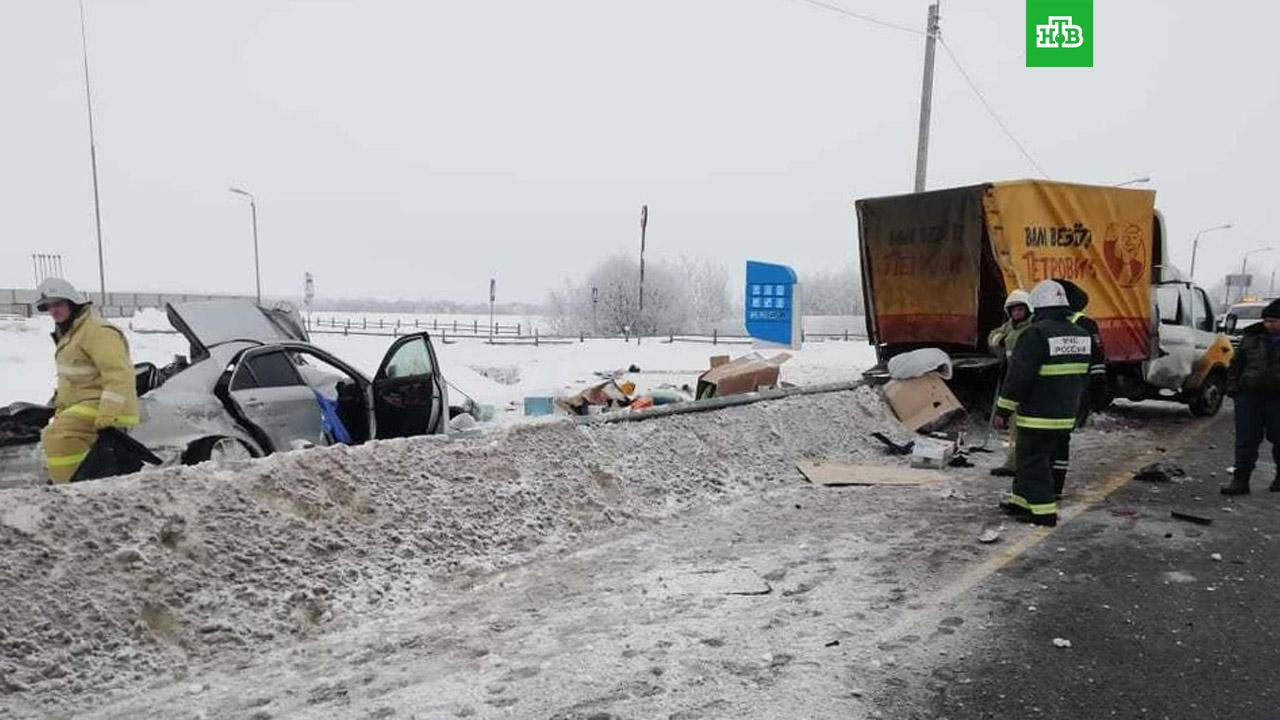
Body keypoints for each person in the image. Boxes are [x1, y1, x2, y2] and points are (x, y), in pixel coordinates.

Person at [992, 280, 1093, 527]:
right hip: (1066, 412)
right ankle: (1020, 501)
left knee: (1033, 460)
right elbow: (1085, 375)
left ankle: (1043, 511)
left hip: (1038, 413)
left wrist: (1003, 410)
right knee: (1039, 458)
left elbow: (1019, 377)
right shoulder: (1080, 334)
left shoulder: (1035, 334)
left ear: (1036, 306)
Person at [35, 278, 139, 483]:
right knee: (60, 436)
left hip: (107, 407)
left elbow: (118, 375)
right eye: (49, 306)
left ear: (72, 303)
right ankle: (84, 478)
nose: (53, 311)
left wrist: (108, 413)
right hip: (86, 404)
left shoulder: (97, 331)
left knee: (56, 436)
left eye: (58, 304)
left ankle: (68, 489)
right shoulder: (73, 332)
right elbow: (75, 378)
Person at [1052, 279, 1108, 496]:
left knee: (1058, 441)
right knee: (1055, 441)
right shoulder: (1051, 322)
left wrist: (1097, 390)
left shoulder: (1084, 324)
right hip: (1058, 390)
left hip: (1074, 390)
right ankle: (1049, 485)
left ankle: (1054, 486)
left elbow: (1097, 359)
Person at [1222, 298, 1280, 495]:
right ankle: (1241, 480)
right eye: (1267, 321)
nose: (1269, 325)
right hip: (1250, 396)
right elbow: (1236, 365)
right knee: (1246, 439)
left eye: (1274, 321)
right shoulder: (1251, 338)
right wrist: (1233, 388)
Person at [988, 289, 1033, 478]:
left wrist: (1003, 340)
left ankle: (1019, 464)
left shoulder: (1030, 329)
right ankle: (1013, 463)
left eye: (1020, 310)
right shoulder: (1009, 327)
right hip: (1011, 378)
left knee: (1021, 428)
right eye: (1013, 311)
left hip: (1024, 383)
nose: (1016, 314)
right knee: (1014, 428)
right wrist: (999, 339)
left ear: (1028, 311)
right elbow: (993, 336)